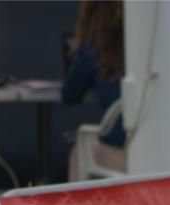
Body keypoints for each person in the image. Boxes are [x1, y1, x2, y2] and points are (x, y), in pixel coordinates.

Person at [61, 0, 126, 181]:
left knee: (81, 149)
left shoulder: (94, 49)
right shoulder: (152, 48)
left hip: (123, 152)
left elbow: (69, 95)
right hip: (167, 148)